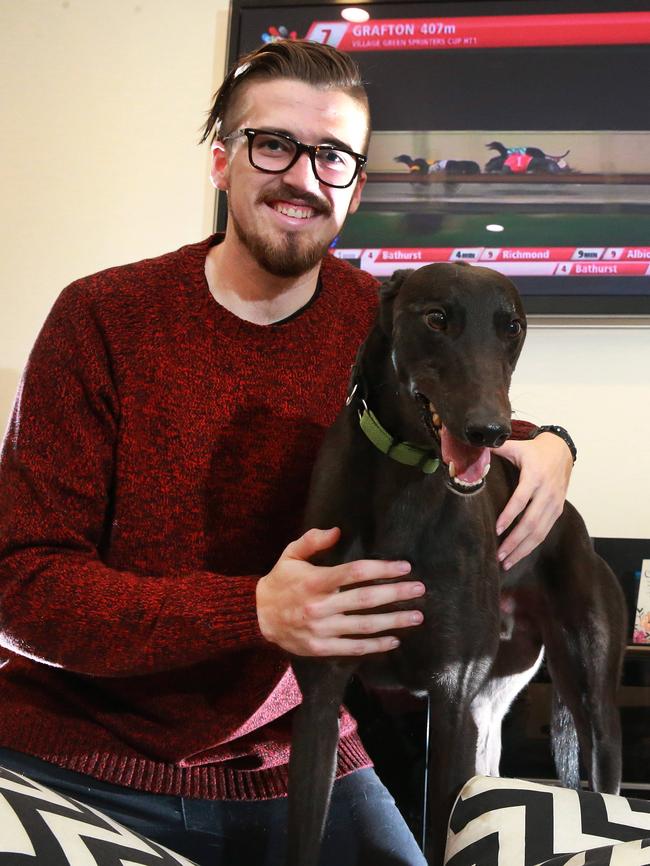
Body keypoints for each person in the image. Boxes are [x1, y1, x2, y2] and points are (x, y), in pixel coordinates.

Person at [0, 39, 574, 866]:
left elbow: (464, 419)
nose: (303, 177)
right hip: (71, 762)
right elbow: (22, 586)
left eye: (332, 155)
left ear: (355, 186)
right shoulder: (102, 318)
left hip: (294, 760)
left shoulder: (380, 317)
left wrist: (554, 445)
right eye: (273, 144)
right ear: (222, 162)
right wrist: (254, 611)